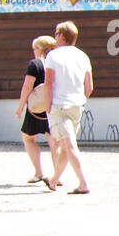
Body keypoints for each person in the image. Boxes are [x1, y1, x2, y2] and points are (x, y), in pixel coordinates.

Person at [42, 21, 92, 194]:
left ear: (62, 36)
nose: (55, 37)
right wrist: (80, 99)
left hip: (59, 105)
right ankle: (54, 180)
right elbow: (89, 87)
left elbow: (48, 83)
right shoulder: (83, 56)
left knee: (69, 145)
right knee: (66, 144)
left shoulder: (53, 56)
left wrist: (47, 106)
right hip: (77, 106)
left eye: (56, 34)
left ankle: (83, 183)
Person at [14, 35, 56, 184]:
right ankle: (57, 176)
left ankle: (39, 172)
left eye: (34, 48)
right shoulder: (57, 64)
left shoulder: (35, 64)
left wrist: (20, 107)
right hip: (53, 107)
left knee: (28, 137)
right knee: (54, 140)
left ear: (40, 49)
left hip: (35, 109)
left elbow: (27, 87)